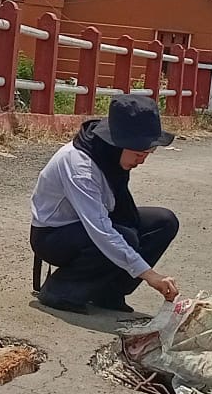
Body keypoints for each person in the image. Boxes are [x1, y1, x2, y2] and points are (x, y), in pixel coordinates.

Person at [30, 94, 181, 314]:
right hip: (53, 235)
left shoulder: (109, 156)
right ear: (117, 143)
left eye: (148, 153)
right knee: (124, 237)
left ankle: (107, 291)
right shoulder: (81, 167)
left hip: (88, 225)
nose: (143, 160)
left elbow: (117, 214)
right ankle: (60, 291)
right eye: (139, 152)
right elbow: (100, 230)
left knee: (164, 222)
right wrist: (149, 275)